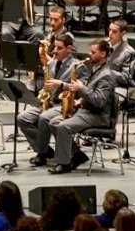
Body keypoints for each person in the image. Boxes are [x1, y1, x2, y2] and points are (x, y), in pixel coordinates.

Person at [18, 33, 88, 167]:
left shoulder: (79, 66)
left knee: (44, 118)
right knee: (22, 117)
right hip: (51, 103)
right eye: (54, 47)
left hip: (67, 104)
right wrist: (44, 92)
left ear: (69, 49)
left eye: (59, 48)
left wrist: (61, 84)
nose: (55, 51)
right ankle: (47, 150)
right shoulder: (53, 63)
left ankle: (42, 154)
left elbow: (82, 88)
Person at [48, 39, 115, 174]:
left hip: (98, 116)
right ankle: (77, 155)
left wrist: (82, 88)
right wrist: (79, 101)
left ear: (103, 54)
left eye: (92, 52)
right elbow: (90, 92)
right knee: (54, 122)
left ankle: (64, 164)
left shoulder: (107, 75)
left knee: (63, 126)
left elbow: (99, 100)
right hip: (86, 111)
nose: (89, 54)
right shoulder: (96, 69)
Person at [107, 19, 135, 104]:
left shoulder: (129, 52)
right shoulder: (103, 44)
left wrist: (107, 72)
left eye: (114, 31)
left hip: (118, 88)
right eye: (109, 30)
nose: (110, 34)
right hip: (101, 85)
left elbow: (126, 78)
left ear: (122, 33)